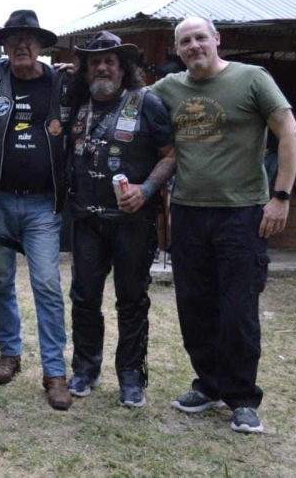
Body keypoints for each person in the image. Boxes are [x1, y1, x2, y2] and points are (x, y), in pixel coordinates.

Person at [151, 16, 296, 434]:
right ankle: (209, 385)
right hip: (188, 211)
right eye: (186, 41)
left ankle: (242, 398)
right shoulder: (169, 89)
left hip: (243, 212)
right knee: (194, 306)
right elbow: (131, 100)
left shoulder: (253, 79)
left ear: (217, 39)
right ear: (178, 50)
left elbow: (289, 133)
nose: (194, 45)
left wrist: (282, 197)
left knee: (237, 308)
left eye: (201, 38)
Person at [64, 32, 176, 408]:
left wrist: (145, 191)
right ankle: (85, 369)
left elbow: (170, 155)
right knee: (83, 297)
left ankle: (131, 377)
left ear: (123, 67)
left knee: (131, 300)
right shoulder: (77, 101)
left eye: (110, 60)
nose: (102, 66)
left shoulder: (148, 103)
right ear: (85, 68)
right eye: (94, 61)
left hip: (133, 222)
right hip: (85, 219)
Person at [0, 9, 73, 410]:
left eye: (29, 39)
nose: (21, 45)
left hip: (43, 204)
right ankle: (9, 355)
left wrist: (78, 69)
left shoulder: (62, 81)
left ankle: (54, 372)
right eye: (14, 39)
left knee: (47, 285)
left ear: (42, 46)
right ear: (4, 45)